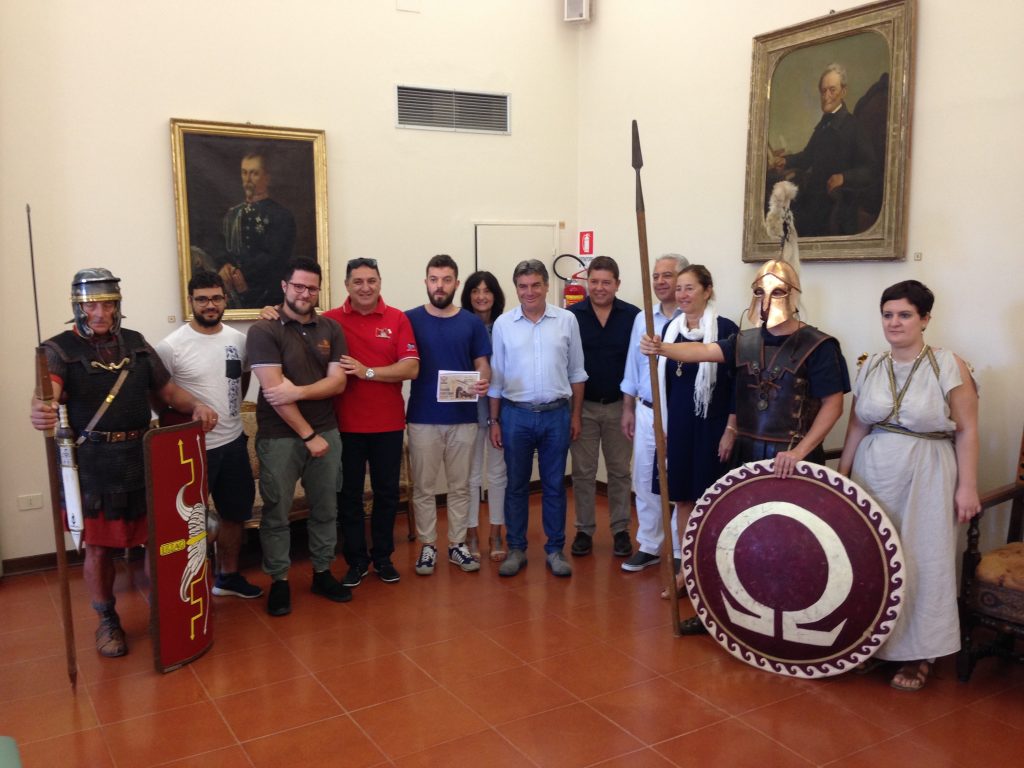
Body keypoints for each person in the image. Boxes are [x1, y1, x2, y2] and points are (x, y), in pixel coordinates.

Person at [30, 268, 218, 658]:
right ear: (78, 307)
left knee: (158, 541)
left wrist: (196, 405)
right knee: (99, 548)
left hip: (144, 458)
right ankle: (106, 619)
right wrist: (41, 409)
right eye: (91, 305)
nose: (100, 313)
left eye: (107, 304)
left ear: (117, 306)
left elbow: (167, 391)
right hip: (94, 465)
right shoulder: (59, 350)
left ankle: (164, 609)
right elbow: (48, 394)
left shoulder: (136, 345)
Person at [838, 280, 980, 692]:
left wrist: (967, 487)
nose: (894, 322)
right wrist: (842, 477)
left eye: (904, 315)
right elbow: (857, 424)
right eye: (888, 315)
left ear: (925, 319)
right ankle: (873, 642)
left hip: (927, 471)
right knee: (873, 557)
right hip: (873, 471)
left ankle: (921, 653)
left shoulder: (949, 364)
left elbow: (967, 429)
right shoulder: (871, 364)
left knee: (923, 558)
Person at [641, 257, 849, 478]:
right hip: (747, 453)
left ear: (793, 294)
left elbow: (833, 405)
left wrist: (799, 452)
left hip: (793, 457)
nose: (767, 300)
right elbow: (704, 350)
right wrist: (661, 347)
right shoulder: (744, 341)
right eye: (759, 292)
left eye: (778, 292)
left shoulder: (818, 346)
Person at [246, 257, 349, 616]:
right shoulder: (263, 330)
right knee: (277, 512)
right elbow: (275, 393)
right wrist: (308, 435)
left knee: (326, 508)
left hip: (327, 430)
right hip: (280, 436)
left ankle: (322, 573)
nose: (305, 294)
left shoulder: (331, 328)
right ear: (284, 286)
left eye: (312, 288)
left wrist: (299, 392)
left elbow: (338, 383)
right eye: (299, 286)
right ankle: (279, 581)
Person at [156, 270, 262, 600]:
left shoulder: (238, 340)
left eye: (216, 298)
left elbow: (242, 380)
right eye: (202, 299)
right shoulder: (170, 347)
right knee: (187, 520)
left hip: (233, 442)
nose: (210, 305)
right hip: (192, 449)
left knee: (234, 513)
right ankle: (188, 587)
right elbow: (159, 395)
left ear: (225, 299)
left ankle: (227, 577)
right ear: (191, 301)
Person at [488, 259, 587, 578]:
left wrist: (575, 415)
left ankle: (555, 550)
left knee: (555, 485)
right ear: (516, 288)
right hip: (515, 415)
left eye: (535, 285)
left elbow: (577, 372)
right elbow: (496, 378)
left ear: (546, 286)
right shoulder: (503, 324)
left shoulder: (567, 320)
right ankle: (516, 549)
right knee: (516, 485)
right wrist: (494, 421)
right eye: (522, 286)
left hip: (556, 415)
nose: (529, 292)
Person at [326, 258, 419, 587]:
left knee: (387, 494)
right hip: (345, 426)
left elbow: (410, 368)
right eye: (358, 281)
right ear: (347, 285)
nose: (365, 287)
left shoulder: (397, 318)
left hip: (388, 424)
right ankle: (356, 561)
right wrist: (271, 310)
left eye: (371, 281)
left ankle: (383, 558)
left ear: (380, 282)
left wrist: (366, 371)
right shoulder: (330, 321)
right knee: (349, 497)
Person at [654, 266, 737, 627]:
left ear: (707, 290)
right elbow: (664, 386)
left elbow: (737, 385)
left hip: (714, 426)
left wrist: (731, 428)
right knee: (683, 498)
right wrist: (663, 426)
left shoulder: (727, 329)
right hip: (680, 425)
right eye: (679, 288)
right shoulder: (669, 331)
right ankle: (687, 572)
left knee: (712, 499)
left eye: (690, 288)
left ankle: (713, 571)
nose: (683, 295)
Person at [406, 255, 491, 576]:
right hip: (422, 418)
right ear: (425, 282)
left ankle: (457, 544)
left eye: (446, 280)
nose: (439, 286)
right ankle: (428, 546)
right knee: (424, 488)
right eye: (434, 279)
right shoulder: (409, 320)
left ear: (456, 283)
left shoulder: (471, 322)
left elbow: (482, 363)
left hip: (463, 418)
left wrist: (484, 379)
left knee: (460, 486)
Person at [566, 256, 640, 558]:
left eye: (606, 282)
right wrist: (573, 412)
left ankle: (621, 530)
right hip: (582, 408)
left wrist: (630, 407)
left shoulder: (633, 317)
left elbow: (637, 365)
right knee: (583, 473)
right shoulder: (571, 317)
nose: (599, 288)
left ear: (617, 284)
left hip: (619, 408)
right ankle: (584, 530)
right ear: (587, 283)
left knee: (620, 471)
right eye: (594, 281)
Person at [619, 253, 688, 573]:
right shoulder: (643, 319)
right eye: (656, 276)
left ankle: (678, 547)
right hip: (647, 410)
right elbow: (633, 366)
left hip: (682, 413)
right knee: (645, 477)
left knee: (679, 479)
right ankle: (649, 544)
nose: (660, 282)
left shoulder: (696, 319)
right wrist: (628, 407)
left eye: (667, 275)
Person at [770, 63, 876, 237]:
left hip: (837, 205)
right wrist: (786, 160)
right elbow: (807, 157)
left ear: (843, 92)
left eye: (832, 90)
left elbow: (871, 169)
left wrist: (844, 177)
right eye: (823, 91)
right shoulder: (824, 126)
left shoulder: (854, 126)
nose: (826, 96)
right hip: (813, 200)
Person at [460, 271, 508, 562]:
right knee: (472, 476)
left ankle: (496, 532)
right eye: (475, 291)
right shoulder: (460, 325)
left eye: (487, 290)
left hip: (502, 413)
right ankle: (471, 533)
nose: (481, 296)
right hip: (468, 412)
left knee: (498, 474)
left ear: (495, 295)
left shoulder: (506, 325)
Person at [220, 149, 297, 308]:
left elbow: (276, 257)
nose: (248, 179)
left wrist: (242, 274)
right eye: (244, 173)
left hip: (267, 293)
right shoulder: (232, 214)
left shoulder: (281, 215)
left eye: (254, 173)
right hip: (232, 289)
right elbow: (225, 250)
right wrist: (227, 268)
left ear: (266, 178)